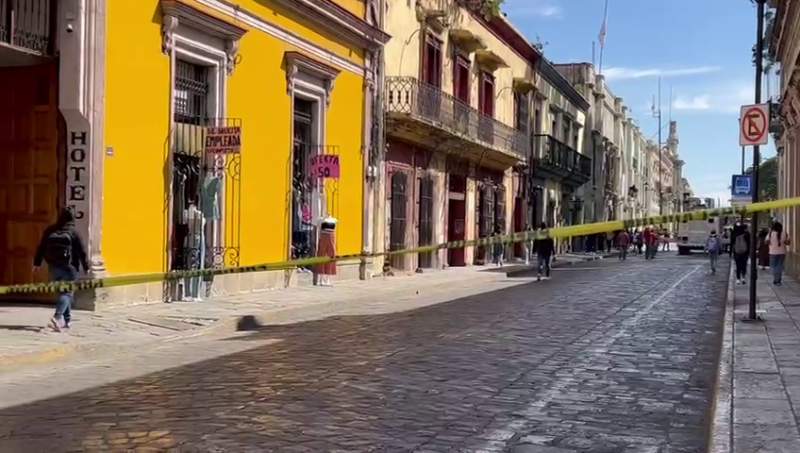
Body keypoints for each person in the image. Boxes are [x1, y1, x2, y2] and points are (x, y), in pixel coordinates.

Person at [33, 208, 89, 332]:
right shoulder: (73, 232)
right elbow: (81, 252)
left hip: (53, 267)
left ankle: (66, 321)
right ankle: (57, 317)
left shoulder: (50, 230)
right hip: (70, 268)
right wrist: (86, 267)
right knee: (67, 293)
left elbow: (41, 247)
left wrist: (37, 263)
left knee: (63, 293)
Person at [769, 221, 791, 286]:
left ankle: (776, 280)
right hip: (782, 252)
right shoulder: (784, 233)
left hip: (772, 252)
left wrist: (772, 242)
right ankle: (778, 280)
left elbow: (766, 241)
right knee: (779, 266)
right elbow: (788, 243)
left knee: (774, 266)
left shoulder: (770, 233)